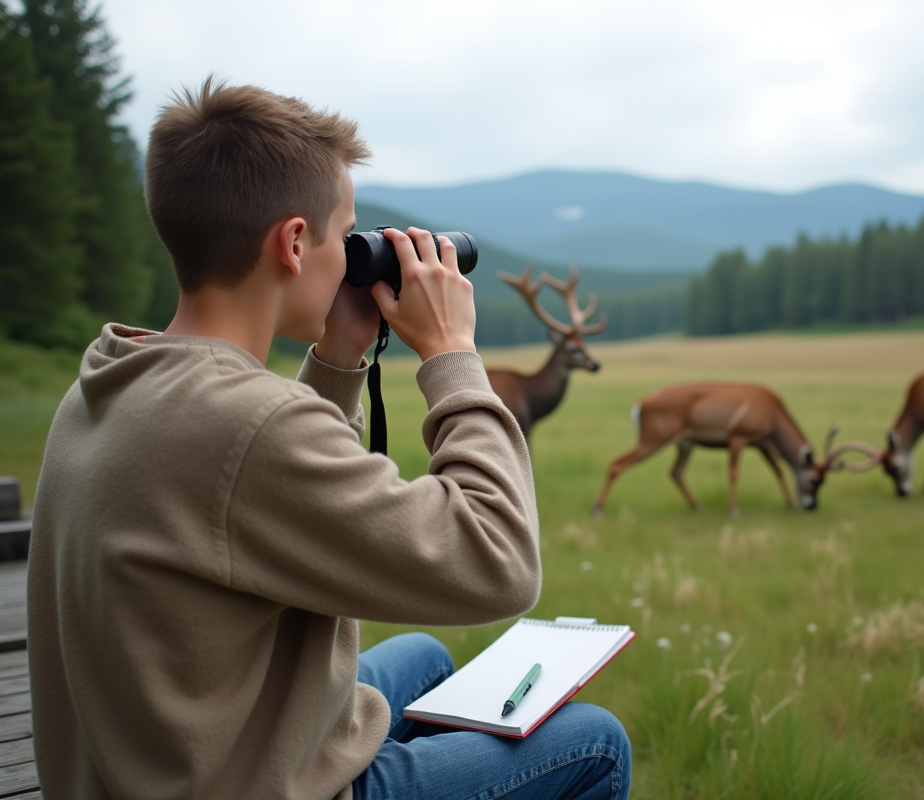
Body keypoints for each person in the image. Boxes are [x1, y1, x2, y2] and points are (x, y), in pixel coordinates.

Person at [27, 77, 631, 800]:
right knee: (596, 743)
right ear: (292, 243)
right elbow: (499, 563)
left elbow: (251, 491)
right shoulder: (248, 424)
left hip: (147, 753)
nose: (352, 257)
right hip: (231, 784)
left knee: (425, 655)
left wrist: (341, 357)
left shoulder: (112, 374)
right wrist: (452, 357)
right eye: (344, 235)